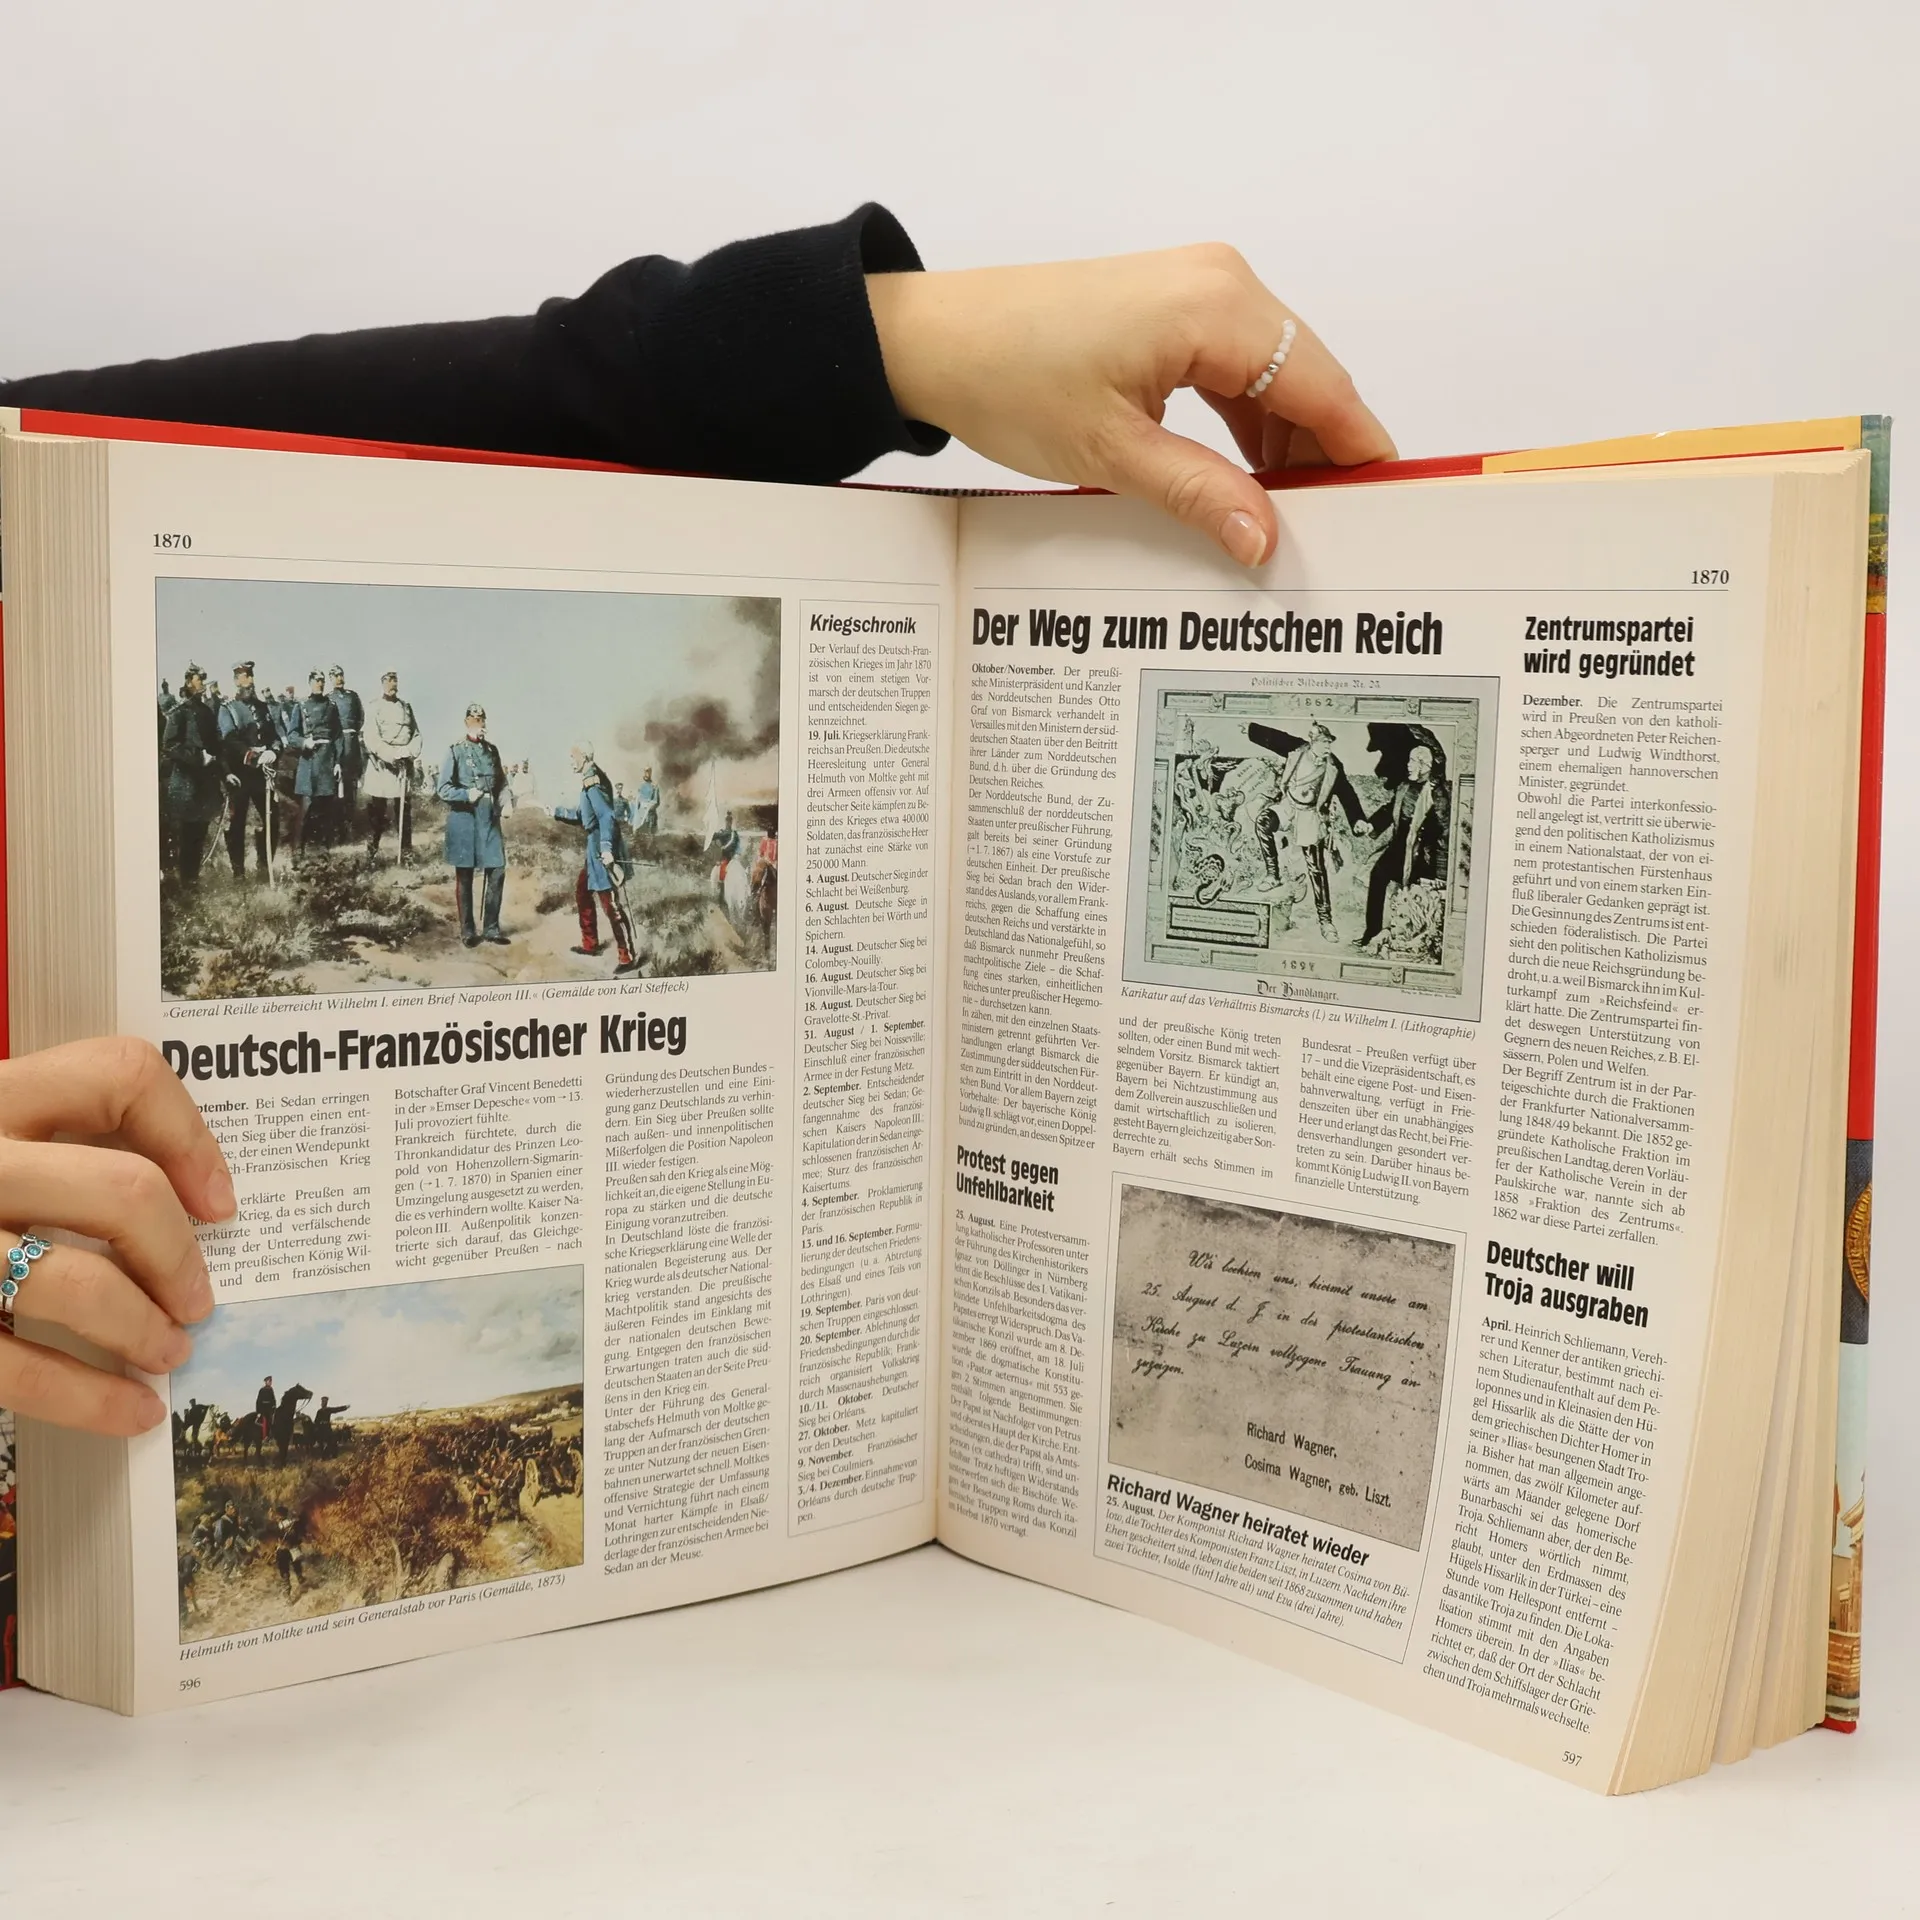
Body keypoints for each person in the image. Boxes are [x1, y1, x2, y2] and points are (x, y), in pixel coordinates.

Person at [0, 210, 1395, 1440]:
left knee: (578, 904)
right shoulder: (467, 765)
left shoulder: (546, 772)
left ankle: (579, 943)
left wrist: (894, 339)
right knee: (561, 896)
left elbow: (429, 412)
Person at [553, 741, 640, 976]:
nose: (571, 761)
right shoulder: (588, 779)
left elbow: (606, 816)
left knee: (609, 903)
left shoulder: (593, 780)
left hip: (602, 846)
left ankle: (627, 955)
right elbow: (584, 816)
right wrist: (557, 812)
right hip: (594, 847)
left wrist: (607, 849)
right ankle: (590, 944)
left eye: (573, 757)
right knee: (583, 892)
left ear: (584, 756)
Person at [1357, 741, 1451, 946]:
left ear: (1425, 766)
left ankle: (1406, 937)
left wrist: (1440, 873)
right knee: (1378, 876)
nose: (1408, 765)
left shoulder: (1439, 794)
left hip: (1424, 855)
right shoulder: (1405, 787)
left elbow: (1444, 835)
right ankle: (1372, 932)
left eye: (1412, 761)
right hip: (1399, 847)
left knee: (1415, 898)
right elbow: (1389, 809)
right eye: (1409, 760)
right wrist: (1370, 826)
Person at [439, 703, 510, 947]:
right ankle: (468, 930)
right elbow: (443, 788)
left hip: (489, 818)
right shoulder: (455, 751)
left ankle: (491, 928)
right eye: (474, 719)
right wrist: (465, 794)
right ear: (466, 722)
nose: (479, 723)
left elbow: (502, 783)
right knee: (465, 875)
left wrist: (506, 801)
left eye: (482, 719)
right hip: (465, 819)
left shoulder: (492, 751)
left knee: (497, 870)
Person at [1277, 722, 1346, 940]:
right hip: (1288, 808)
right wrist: (1251, 729)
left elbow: (1347, 793)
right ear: (1312, 742)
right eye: (1324, 742)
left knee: (1316, 869)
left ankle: (1326, 921)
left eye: (1329, 742)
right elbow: (1274, 738)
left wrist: (1359, 820)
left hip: (1309, 817)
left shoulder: (1332, 767)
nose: (1328, 747)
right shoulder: (1297, 753)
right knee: (1266, 828)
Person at [160, 664, 226, 888]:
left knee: (200, 832)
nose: (202, 684)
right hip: (186, 783)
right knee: (186, 835)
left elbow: (217, 744)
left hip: (205, 783)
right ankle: (184, 884)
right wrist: (198, 757)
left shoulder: (207, 712)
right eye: (199, 680)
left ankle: (193, 880)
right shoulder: (179, 713)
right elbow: (170, 745)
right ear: (189, 683)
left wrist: (225, 772)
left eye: (203, 680)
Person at [216, 659, 282, 880]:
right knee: (237, 823)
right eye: (245, 677)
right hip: (240, 773)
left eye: (251, 676)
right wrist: (254, 757)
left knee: (272, 818)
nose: (250, 681)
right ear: (236, 681)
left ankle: (264, 866)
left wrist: (274, 751)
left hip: (262, 774)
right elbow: (230, 741)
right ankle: (239, 873)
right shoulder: (228, 709)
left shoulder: (263, 707)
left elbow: (274, 736)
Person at [284, 669, 344, 860]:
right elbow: (292, 735)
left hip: (327, 761)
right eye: (316, 680)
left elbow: (338, 736)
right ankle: (297, 852)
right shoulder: (301, 706)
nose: (320, 684)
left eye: (322, 681)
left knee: (326, 809)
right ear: (310, 682)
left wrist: (338, 762)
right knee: (306, 809)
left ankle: (323, 852)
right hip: (309, 762)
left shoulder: (331, 706)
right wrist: (304, 742)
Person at [363, 669, 420, 862]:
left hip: (403, 766)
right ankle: (371, 854)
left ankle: (406, 854)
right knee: (377, 813)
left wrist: (409, 752)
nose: (392, 684)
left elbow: (416, 735)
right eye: (388, 681)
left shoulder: (406, 707)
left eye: (394, 680)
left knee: (404, 812)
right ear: (382, 683)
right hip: (382, 766)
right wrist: (391, 755)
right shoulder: (374, 707)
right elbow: (371, 737)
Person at [329, 666, 366, 842]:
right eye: (335, 676)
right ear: (330, 678)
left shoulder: (353, 696)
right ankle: (336, 829)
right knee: (335, 787)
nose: (339, 678)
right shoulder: (328, 698)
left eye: (341, 675)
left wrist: (352, 733)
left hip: (351, 744)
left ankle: (350, 826)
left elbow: (360, 717)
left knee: (351, 787)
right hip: (336, 744)